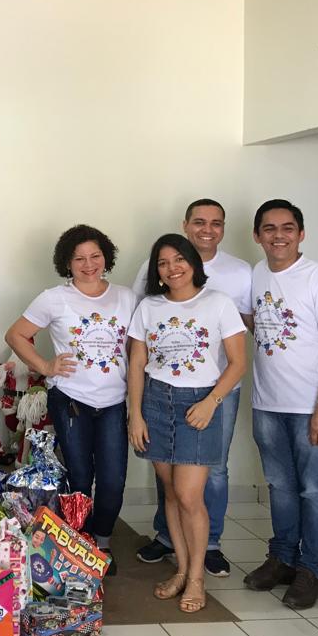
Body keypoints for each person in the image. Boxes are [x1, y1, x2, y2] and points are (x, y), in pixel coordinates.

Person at [5, 224, 137, 574]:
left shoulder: (127, 297)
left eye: (95, 256)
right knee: (80, 476)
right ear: (67, 263)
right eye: (79, 259)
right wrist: (46, 366)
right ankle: (79, 543)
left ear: (106, 258)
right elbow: (16, 335)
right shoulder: (54, 298)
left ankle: (102, 542)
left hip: (113, 401)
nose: (89, 264)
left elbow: (137, 348)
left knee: (112, 479)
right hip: (70, 399)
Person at [133, 199, 253, 577]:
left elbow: (238, 362)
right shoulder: (149, 306)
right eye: (164, 263)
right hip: (156, 400)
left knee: (191, 492)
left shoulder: (220, 300)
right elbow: (136, 362)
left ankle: (199, 571)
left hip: (201, 400)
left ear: (192, 263)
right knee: (171, 491)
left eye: (179, 260)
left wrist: (211, 402)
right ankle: (181, 569)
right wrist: (135, 414)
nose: (173, 267)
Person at [243, 199, 318, 610]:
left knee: (315, 490)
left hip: (313, 407)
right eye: (269, 228)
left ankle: (312, 571)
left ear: (301, 234)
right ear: (257, 235)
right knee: (281, 487)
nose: (279, 236)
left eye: (287, 228)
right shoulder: (257, 273)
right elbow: (255, 322)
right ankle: (283, 558)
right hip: (268, 403)